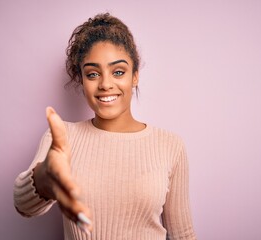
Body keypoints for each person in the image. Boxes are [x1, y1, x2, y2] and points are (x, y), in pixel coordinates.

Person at [13, 13, 197, 240]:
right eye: (93, 74)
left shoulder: (170, 145)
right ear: (81, 80)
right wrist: (45, 178)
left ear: (135, 76)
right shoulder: (62, 137)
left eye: (118, 72)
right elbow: (23, 206)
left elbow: (182, 234)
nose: (106, 84)